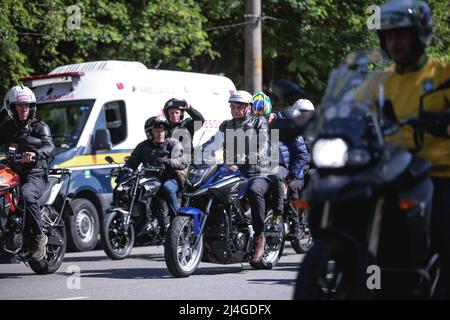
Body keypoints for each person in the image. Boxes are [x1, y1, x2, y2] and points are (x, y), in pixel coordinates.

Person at [354, 0, 450, 298]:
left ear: (420, 35)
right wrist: (315, 120)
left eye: (402, 34)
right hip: (393, 173)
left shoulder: (442, 74)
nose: (394, 42)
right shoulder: (379, 81)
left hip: (438, 173)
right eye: (389, 35)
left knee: (443, 230)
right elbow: (349, 110)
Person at [202, 90, 271, 263]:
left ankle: (259, 237)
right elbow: (213, 143)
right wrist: (194, 152)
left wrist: (247, 159)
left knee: (255, 191)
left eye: (239, 107)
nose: (235, 109)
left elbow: (263, 145)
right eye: (232, 106)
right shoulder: (226, 125)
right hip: (233, 171)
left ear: (248, 108)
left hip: (256, 171)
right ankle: (211, 236)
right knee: (208, 190)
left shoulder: (258, 122)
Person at [0, 85, 55, 260]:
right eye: (20, 105)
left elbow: (50, 147)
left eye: (27, 105)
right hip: (11, 172)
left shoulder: (39, 127)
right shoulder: (6, 128)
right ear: (11, 107)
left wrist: (35, 153)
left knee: (27, 194)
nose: (25, 109)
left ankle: (39, 236)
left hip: (35, 174)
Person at [124, 116, 188, 223]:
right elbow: (132, 162)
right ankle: (139, 220)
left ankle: (176, 221)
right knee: (132, 189)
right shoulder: (143, 146)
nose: (160, 133)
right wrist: (125, 170)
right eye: (157, 131)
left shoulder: (172, 143)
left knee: (168, 188)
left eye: (162, 131)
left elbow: (182, 162)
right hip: (150, 180)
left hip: (169, 178)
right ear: (150, 132)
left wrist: (168, 162)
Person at [163, 98, 205, 188]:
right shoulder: (163, 128)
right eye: (171, 113)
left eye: (177, 113)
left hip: (185, 165)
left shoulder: (187, 125)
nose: (174, 115)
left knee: (182, 184)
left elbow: (200, 120)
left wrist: (188, 108)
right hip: (167, 165)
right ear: (167, 114)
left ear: (181, 114)